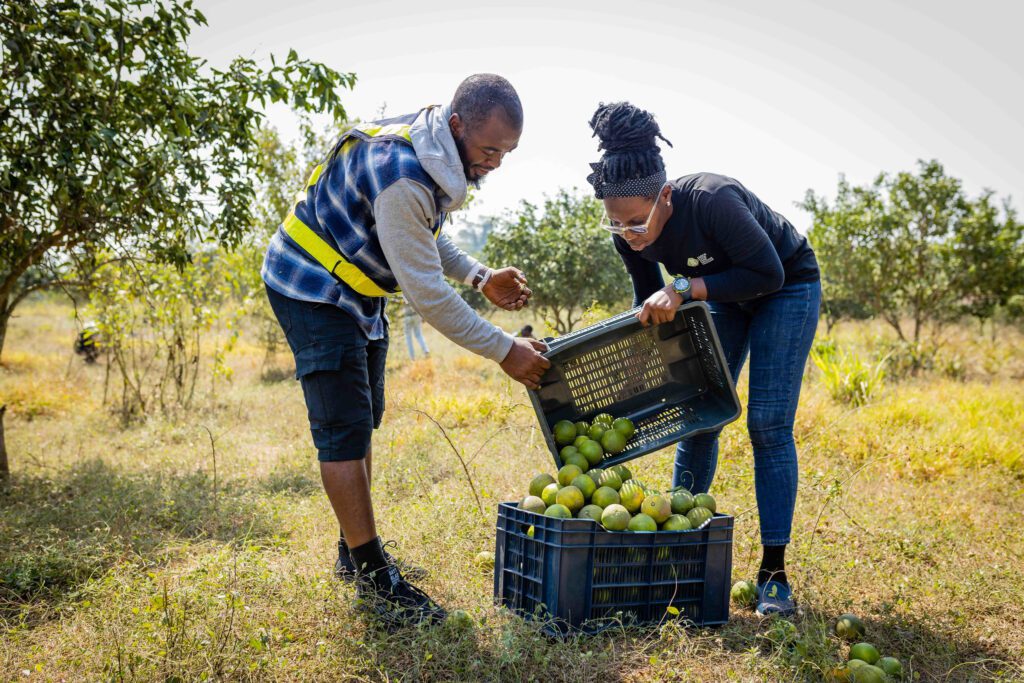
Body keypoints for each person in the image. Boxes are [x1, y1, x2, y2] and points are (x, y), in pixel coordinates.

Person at [262, 74, 550, 629]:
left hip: (357, 291)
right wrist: (503, 350)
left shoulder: (432, 145)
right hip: (312, 286)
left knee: (364, 416)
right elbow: (426, 293)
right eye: (490, 149)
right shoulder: (403, 174)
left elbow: (419, 231)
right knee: (342, 428)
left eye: (506, 152)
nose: (495, 163)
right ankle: (373, 575)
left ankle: (355, 550)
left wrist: (480, 274)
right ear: (459, 124)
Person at [585, 101, 821, 617]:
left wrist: (685, 286)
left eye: (637, 221)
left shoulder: (713, 200)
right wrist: (639, 367)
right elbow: (648, 301)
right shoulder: (630, 235)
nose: (630, 234)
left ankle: (773, 573)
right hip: (720, 294)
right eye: (617, 224)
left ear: (665, 196)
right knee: (698, 416)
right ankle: (674, 544)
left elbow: (767, 275)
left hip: (785, 287)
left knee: (768, 424)